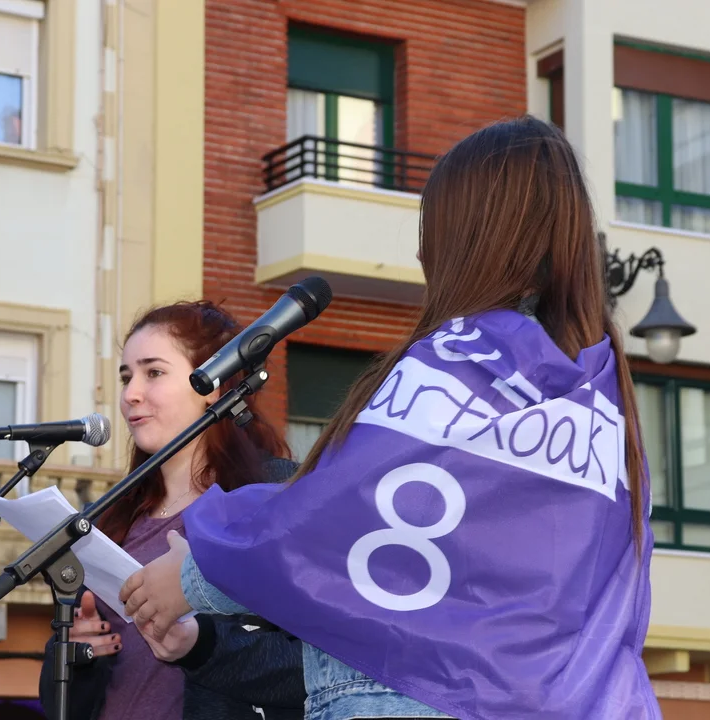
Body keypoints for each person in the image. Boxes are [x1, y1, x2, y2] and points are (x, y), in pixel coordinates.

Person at [120, 116, 662, 719]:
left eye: (433, 228)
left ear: (467, 236)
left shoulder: (459, 361)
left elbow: (346, 514)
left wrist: (196, 571)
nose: (422, 252)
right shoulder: (606, 404)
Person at [37, 301, 306, 720]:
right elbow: (65, 702)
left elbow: (315, 668)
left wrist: (200, 644)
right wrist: (77, 652)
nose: (131, 394)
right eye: (126, 377)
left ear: (211, 385)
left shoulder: (274, 496)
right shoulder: (109, 517)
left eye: (154, 373)